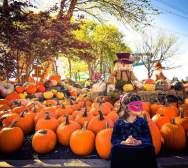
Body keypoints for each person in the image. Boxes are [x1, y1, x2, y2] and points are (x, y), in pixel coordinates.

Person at [110, 93, 157, 168]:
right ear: (127, 108)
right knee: (115, 149)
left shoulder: (142, 122)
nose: (140, 108)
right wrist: (124, 142)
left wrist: (139, 141)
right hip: (125, 147)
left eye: (140, 105)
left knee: (149, 148)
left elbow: (148, 139)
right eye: (136, 105)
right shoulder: (119, 122)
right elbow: (114, 139)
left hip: (139, 146)